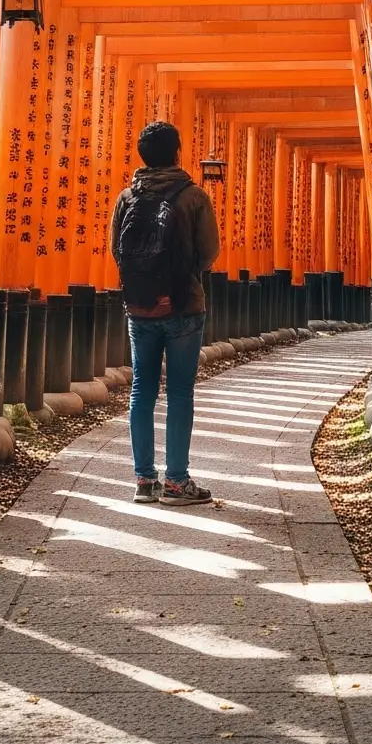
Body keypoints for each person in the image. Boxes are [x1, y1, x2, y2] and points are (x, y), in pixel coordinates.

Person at [109, 120, 220, 505]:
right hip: (184, 305)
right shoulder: (193, 196)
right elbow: (208, 254)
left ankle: (144, 480)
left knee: (142, 389)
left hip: (139, 306)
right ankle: (176, 482)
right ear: (176, 152)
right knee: (179, 392)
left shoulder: (127, 197)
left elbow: (117, 251)